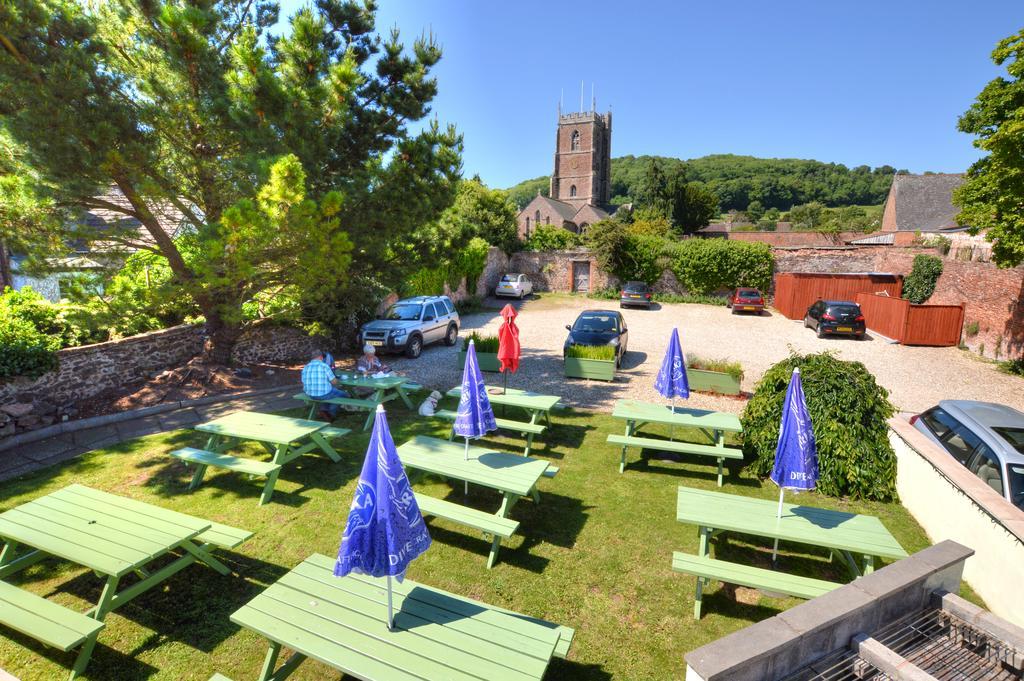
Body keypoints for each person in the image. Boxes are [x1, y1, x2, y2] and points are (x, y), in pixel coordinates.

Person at [301, 349, 349, 420]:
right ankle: (331, 413)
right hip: (323, 394)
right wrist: (339, 380)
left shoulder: (305, 367)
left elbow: (303, 381)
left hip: (310, 394)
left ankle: (324, 410)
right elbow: (334, 382)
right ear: (321, 357)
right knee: (343, 395)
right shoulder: (324, 366)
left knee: (329, 392)